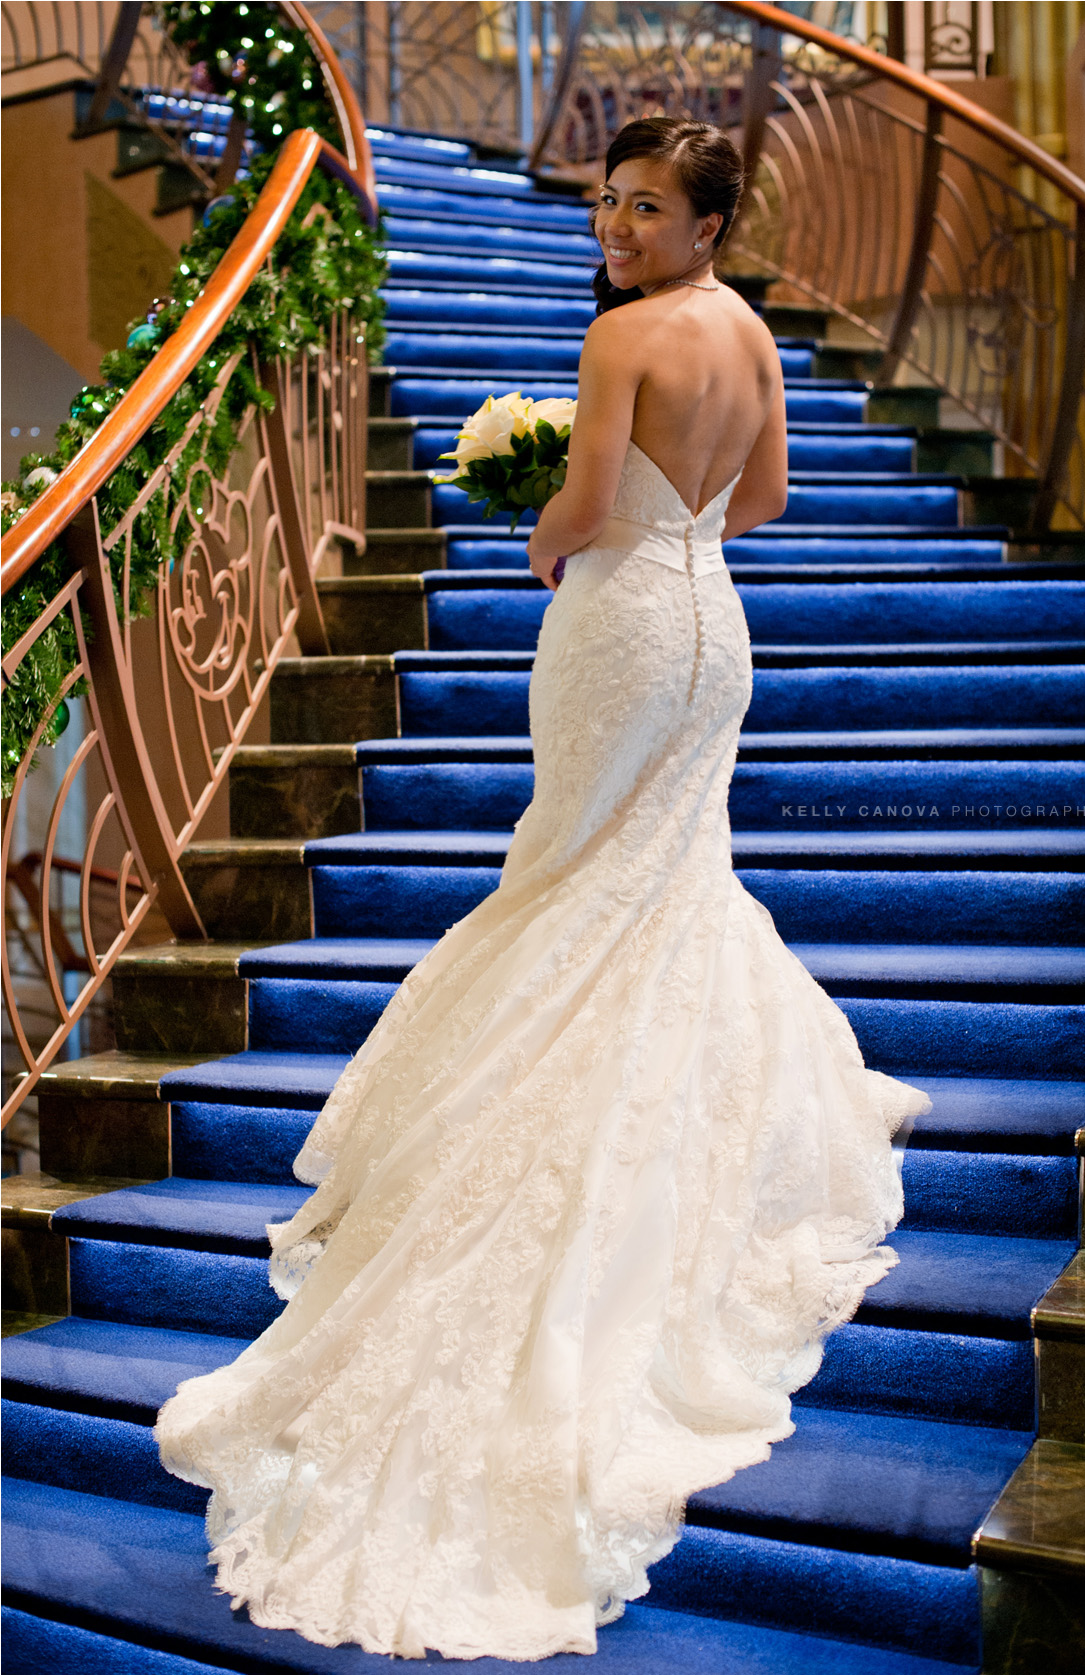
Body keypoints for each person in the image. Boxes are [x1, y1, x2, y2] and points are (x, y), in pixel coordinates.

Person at [157, 116, 931, 1662]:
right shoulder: (747, 334)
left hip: (619, 621)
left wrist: (549, 536)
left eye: (647, 208)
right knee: (648, 874)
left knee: (571, 873)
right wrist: (678, 522)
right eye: (609, 204)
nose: (617, 229)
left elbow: (578, 509)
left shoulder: (628, 335)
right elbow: (764, 502)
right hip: (714, 624)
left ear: (708, 220)